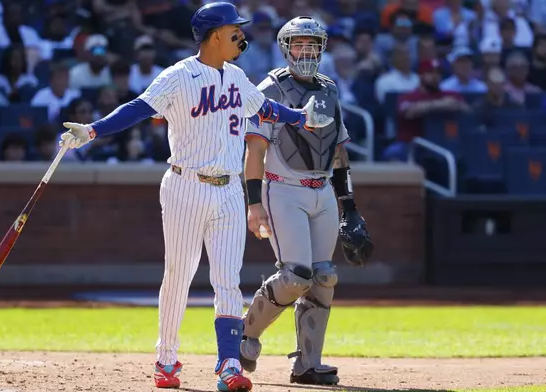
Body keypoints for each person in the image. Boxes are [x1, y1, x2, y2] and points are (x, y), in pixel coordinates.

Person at [57, 3, 333, 391]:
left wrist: (299, 117)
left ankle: (229, 364)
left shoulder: (237, 76)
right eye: (234, 29)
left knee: (227, 280)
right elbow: (138, 108)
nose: (241, 35)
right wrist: (93, 131)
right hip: (186, 185)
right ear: (215, 35)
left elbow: (265, 108)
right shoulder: (179, 75)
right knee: (179, 276)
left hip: (229, 190)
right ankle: (166, 359)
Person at [239, 16, 373, 387]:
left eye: (313, 44)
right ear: (285, 48)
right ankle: (246, 334)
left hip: (322, 189)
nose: (306, 51)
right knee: (296, 275)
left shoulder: (329, 89)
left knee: (324, 276)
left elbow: (339, 152)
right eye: (299, 44)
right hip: (283, 186)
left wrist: (350, 207)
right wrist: (254, 205)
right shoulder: (269, 87)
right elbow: (255, 150)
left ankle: (308, 364)